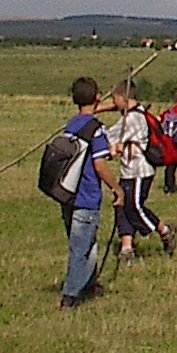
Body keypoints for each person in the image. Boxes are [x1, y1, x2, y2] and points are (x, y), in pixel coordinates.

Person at [57, 77, 121, 310]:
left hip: (68, 195)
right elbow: (99, 165)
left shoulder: (71, 125)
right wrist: (116, 188)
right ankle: (70, 296)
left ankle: (89, 285)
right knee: (81, 249)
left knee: (87, 245)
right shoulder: (96, 130)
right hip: (86, 198)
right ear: (96, 97)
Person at [105, 80, 177, 263]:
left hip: (139, 171)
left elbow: (109, 136)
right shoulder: (134, 114)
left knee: (134, 207)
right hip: (128, 169)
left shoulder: (132, 119)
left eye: (115, 99)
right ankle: (126, 247)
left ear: (123, 97)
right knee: (122, 206)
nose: (114, 104)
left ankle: (165, 231)